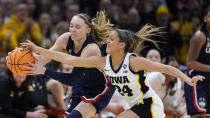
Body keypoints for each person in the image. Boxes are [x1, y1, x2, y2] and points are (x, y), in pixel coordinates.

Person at [21, 23, 204, 118]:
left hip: (149, 104)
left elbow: (165, 68)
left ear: (122, 45)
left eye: (111, 40)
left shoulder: (134, 62)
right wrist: (39, 50)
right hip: (135, 106)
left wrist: (188, 80)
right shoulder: (102, 62)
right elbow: (69, 59)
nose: (107, 42)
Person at [19, 11, 115, 118]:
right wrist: (22, 61)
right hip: (81, 84)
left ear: (88, 30)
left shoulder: (91, 49)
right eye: (71, 26)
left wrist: (43, 70)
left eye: (78, 27)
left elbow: (72, 79)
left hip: (99, 88)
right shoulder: (65, 38)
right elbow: (44, 59)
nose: (73, 30)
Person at [184, 6, 210, 118]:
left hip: (208, 79)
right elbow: (190, 63)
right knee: (199, 115)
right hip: (196, 80)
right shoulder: (200, 37)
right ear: (205, 19)